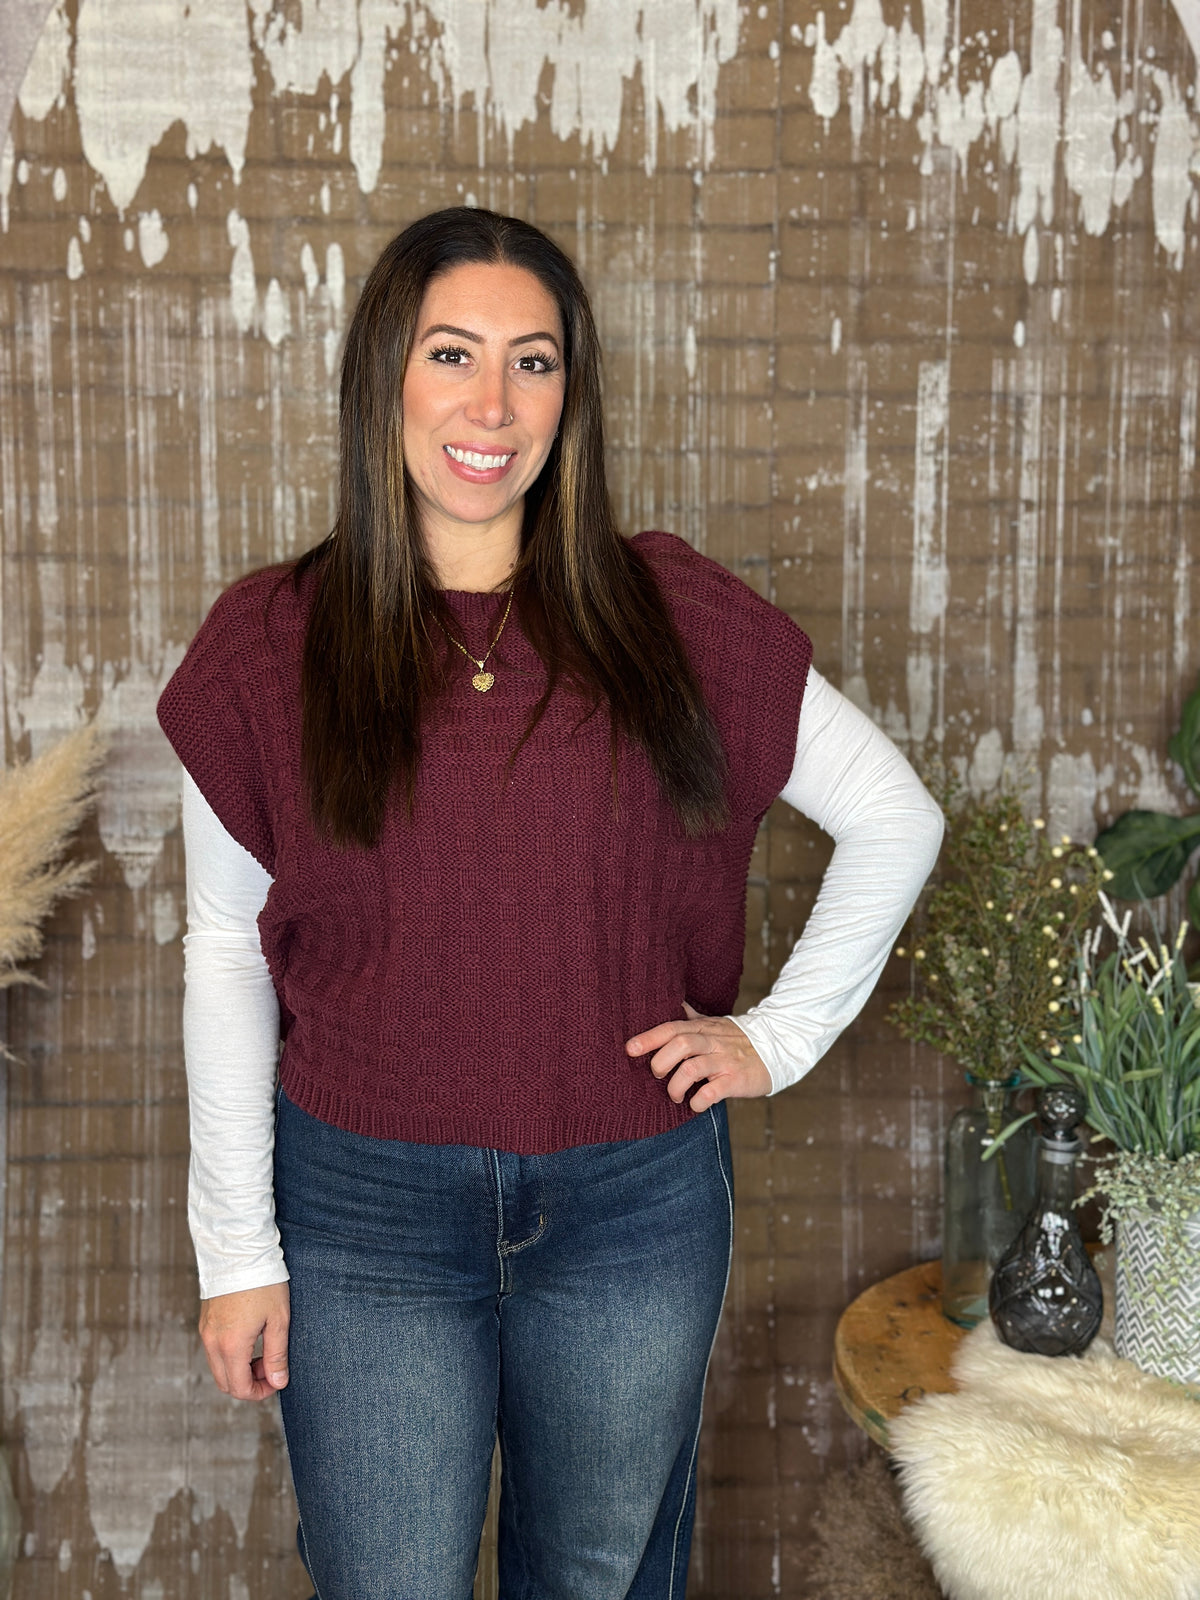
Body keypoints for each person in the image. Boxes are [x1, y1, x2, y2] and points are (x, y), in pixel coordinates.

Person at [158, 207, 943, 1600]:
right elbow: (224, 943)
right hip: (360, 1212)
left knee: (595, 1580)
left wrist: (781, 1035)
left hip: (630, 1207)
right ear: (381, 378)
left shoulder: (671, 618)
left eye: (534, 363)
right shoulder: (270, 648)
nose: (490, 403)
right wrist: (236, 1249)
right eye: (452, 353)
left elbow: (895, 816)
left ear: (570, 397)